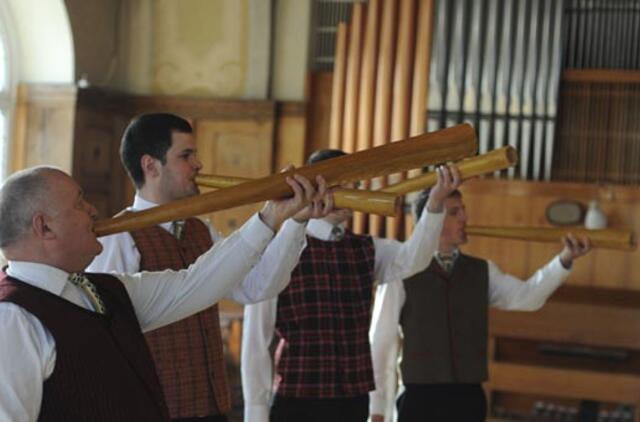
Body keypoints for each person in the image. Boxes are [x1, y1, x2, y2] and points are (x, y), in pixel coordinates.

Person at [0, 165, 326, 422]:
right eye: (79, 202)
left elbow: (196, 284)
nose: (93, 210)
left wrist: (273, 216)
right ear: (44, 227)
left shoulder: (107, 290)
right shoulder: (13, 319)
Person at [86, 113, 332, 422]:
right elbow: (110, 338)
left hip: (211, 408)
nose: (198, 165)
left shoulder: (201, 230)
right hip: (153, 410)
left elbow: (257, 287)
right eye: (186, 156)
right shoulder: (118, 237)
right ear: (150, 165)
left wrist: (295, 220)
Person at [241, 149, 462, 422]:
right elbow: (256, 341)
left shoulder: (366, 248)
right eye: (342, 183)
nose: (352, 191)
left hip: (354, 400)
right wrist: (256, 414)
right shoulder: (278, 251)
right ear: (316, 186)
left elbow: (412, 260)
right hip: (298, 399)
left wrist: (436, 203)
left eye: (355, 184)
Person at [369, 188, 592, 422]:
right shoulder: (399, 274)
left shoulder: (482, 271)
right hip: (419, 400)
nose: (465, 218)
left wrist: (564, 259)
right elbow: (380, 344)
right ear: (431, 219)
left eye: (463, 210)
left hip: (469, 399)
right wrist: (376, 409)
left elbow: (527, 297)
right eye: (455, 212)